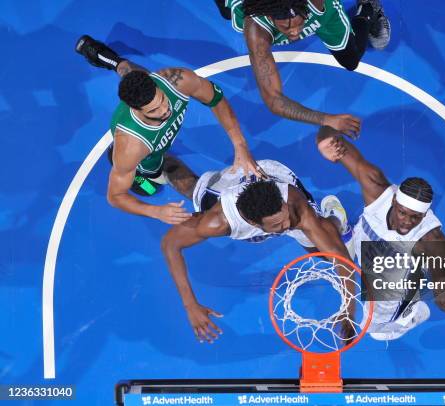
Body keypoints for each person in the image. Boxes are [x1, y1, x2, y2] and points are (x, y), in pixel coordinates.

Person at [161, 159, 353, 343]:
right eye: (277, 225)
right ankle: (159, 160)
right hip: (228, 186)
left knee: (323, 249)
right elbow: (170, 244)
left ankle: (335, 216)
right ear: (253, 223)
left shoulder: (295, 209)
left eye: (284, 217)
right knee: (192, 189)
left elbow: (341, 258)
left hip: (270, 173)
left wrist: (348, 311)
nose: (287, 225)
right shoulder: (216, 223)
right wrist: (190, 306)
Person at [75, 35, 261, 224]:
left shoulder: (176, 80)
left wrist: (240, 145)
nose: (166, 110)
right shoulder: (131, 147)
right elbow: (115, 196)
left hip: (151, 123)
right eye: (154, 110)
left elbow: (216, 99)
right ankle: (135, 172)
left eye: (162, 99)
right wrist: (155, 212)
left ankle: (108, 58)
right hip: (146, 159)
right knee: (152, 187)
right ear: (136, 110)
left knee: (129, 71)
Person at [316, 126, 445, 340]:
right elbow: (329, 136)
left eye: (415, 218)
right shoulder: (375, 187)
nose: (407, 223)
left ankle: (411, 314)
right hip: (362, 241)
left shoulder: (432, 241)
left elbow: (443, 293)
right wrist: (325, 139)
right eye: (403, 213)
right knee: (325, 249)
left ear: (425, 215)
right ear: (393, 200)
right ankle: (342, 225)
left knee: (375, 330)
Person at [216, 0, 391, 138]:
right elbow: (273, 99)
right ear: (270, 18)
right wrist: (326, 119)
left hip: (320, 16)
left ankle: (367, 9)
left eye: (299, 23)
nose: (295, 33)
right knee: (226, 11)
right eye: (286, 27)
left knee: (351, 59)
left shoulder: (317, 3)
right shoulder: (256, 30)